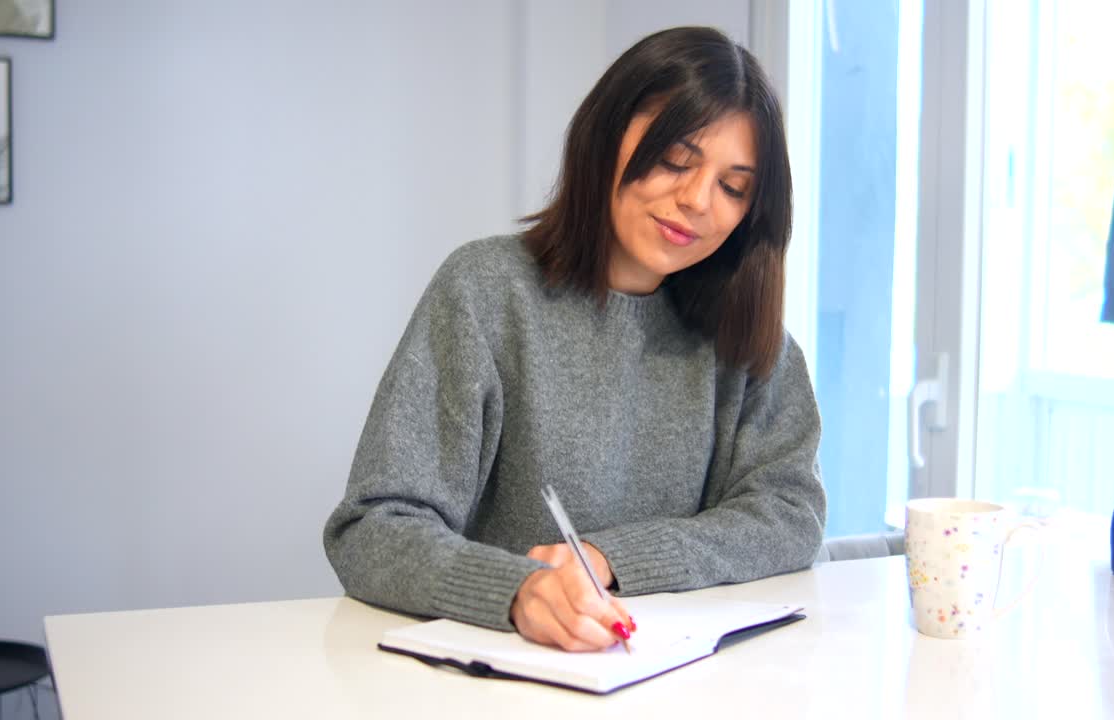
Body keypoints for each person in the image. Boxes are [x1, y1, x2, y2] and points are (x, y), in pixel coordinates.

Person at [323, 26, 825, 653]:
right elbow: (371, 530)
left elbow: (788, 514)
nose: (696, 200)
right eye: (676, 159)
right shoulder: (485, 291)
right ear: (606, 134)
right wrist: (516, 591)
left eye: (733, 187)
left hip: (682, 681)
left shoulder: (745, 333)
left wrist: (609, 556)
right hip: (507, 679)